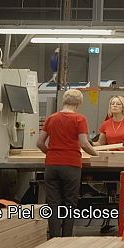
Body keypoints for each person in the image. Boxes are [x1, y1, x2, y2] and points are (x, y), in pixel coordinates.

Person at [36, 89, 98, 238]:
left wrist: (51, 154)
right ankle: (66, 239)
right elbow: (84, 143)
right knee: (70, 203)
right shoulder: (79, 119)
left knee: (53, 204)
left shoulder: (51, 118)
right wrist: (97, 154)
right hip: (71, 165)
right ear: (78, 103)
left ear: (63, 101)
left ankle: (54, 239)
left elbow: (39, 143)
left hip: (52, 165)